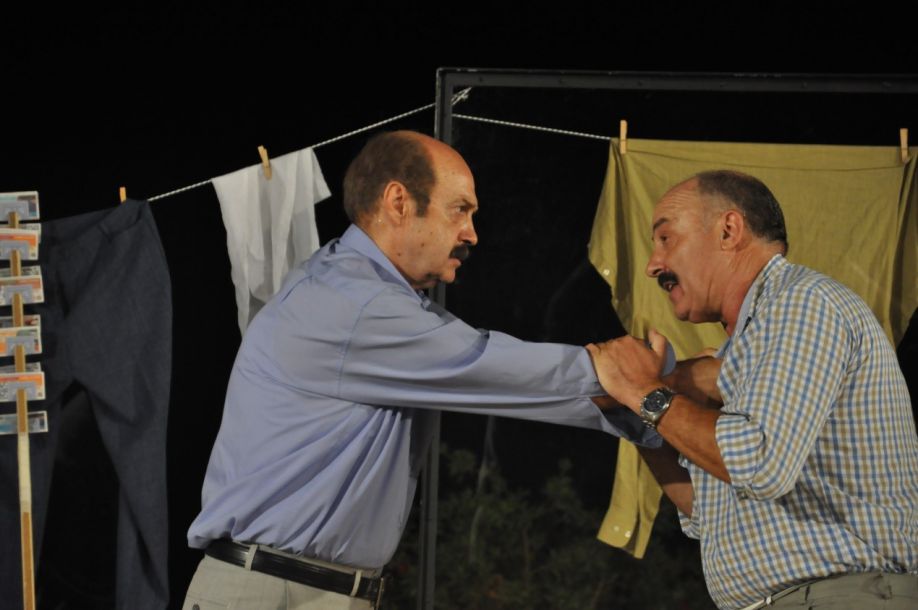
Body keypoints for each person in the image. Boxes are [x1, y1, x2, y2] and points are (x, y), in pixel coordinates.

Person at [181, 130, 657, 610]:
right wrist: (630, 374)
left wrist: (646, 398)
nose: (472, 233)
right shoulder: (356, 304)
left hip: (308, 588)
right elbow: (487, 364)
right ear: (398, 202)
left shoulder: (368, 292)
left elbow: (505, 382)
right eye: (460, 210)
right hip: (270, 591)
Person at [588, 170, 918, 610]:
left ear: (729, 231)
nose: (653, 264)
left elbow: (759, 461)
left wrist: (647, 393)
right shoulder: (749, 346)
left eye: (666, 239)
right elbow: (706, 510)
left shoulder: (804, 304)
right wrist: (635, 414)